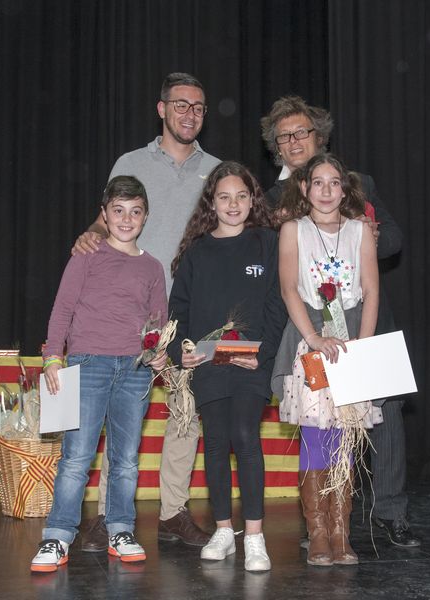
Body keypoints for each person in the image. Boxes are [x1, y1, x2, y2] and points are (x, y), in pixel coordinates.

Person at [261, 95, 420, 548]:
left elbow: (393, 237)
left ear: (319, 136)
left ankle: (391, 513)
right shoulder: (270, 199)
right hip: (307, 322)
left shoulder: (358, 183)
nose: (294, 142)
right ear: (276, 146)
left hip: (363, 316)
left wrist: (365, 234)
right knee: (318, 421)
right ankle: (321, 526)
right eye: (284, 136)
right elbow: (273, 268)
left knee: (386, 411)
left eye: (302, 132)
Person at [73, 73, 220, 551]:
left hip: (189, 314)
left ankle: (173, 512)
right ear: (161, 109)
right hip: (129, 315)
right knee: (117, 418)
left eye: (198, 107)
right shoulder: (131, 162)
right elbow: (108, 218)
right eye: (180, 105)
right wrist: (90, 234)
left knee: (185, 415)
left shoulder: (216, 171)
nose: (189, 114)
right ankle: (106, 516)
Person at [31, 176, 168, 572]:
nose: (126, 219)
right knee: (76, 457)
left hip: (135, 371)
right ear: (104, 215)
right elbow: (62, 310)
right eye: (118, 211)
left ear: (145, 217)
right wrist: (53, 358)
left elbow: (158, 321)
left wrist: (158, 353)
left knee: (126, 459)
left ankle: (120, 529)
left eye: (135, 211)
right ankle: (58, 535)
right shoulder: (86, 256)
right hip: (88, 364)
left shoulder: (152, 267)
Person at [167, 161, 287, 571]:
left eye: (241, 196)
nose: (233, 204)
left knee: (245, 435)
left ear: (252, 200)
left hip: (253, 363)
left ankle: (254, 536)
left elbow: (277, 304)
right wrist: (179, 352)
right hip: (208, 362)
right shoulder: (197, 251)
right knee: (216, 442)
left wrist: (263, 355)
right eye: (224, 197)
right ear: (211, 203)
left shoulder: (268, 243)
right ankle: (223, 530)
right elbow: (179, 310)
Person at [272, 153, 382, 566]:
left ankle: (340, 531)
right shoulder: (293, 229)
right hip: (311, 341)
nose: (326, 190)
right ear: (305, 188)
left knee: (345, 437)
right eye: (318, 182)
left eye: (334, 182)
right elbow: (289, 289)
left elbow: (370, 290)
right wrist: (314, 337)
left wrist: (363, 347)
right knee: (316, 434)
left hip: (351, 340)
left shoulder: (359, 230)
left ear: (344, 188)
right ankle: (317, 531)